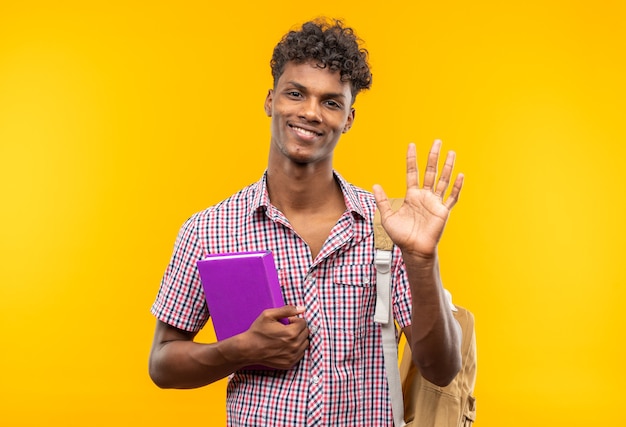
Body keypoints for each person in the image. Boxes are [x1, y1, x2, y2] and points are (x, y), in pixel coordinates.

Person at [149, 17, 464, 426]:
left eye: (331, 102)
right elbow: (162, 363)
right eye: (296, 93)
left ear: (349, 118)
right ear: (270, 100)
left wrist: (422, 260)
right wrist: (239, 349)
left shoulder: (387, 228)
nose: (310, 112)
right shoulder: (208, 229)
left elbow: (441, 368)